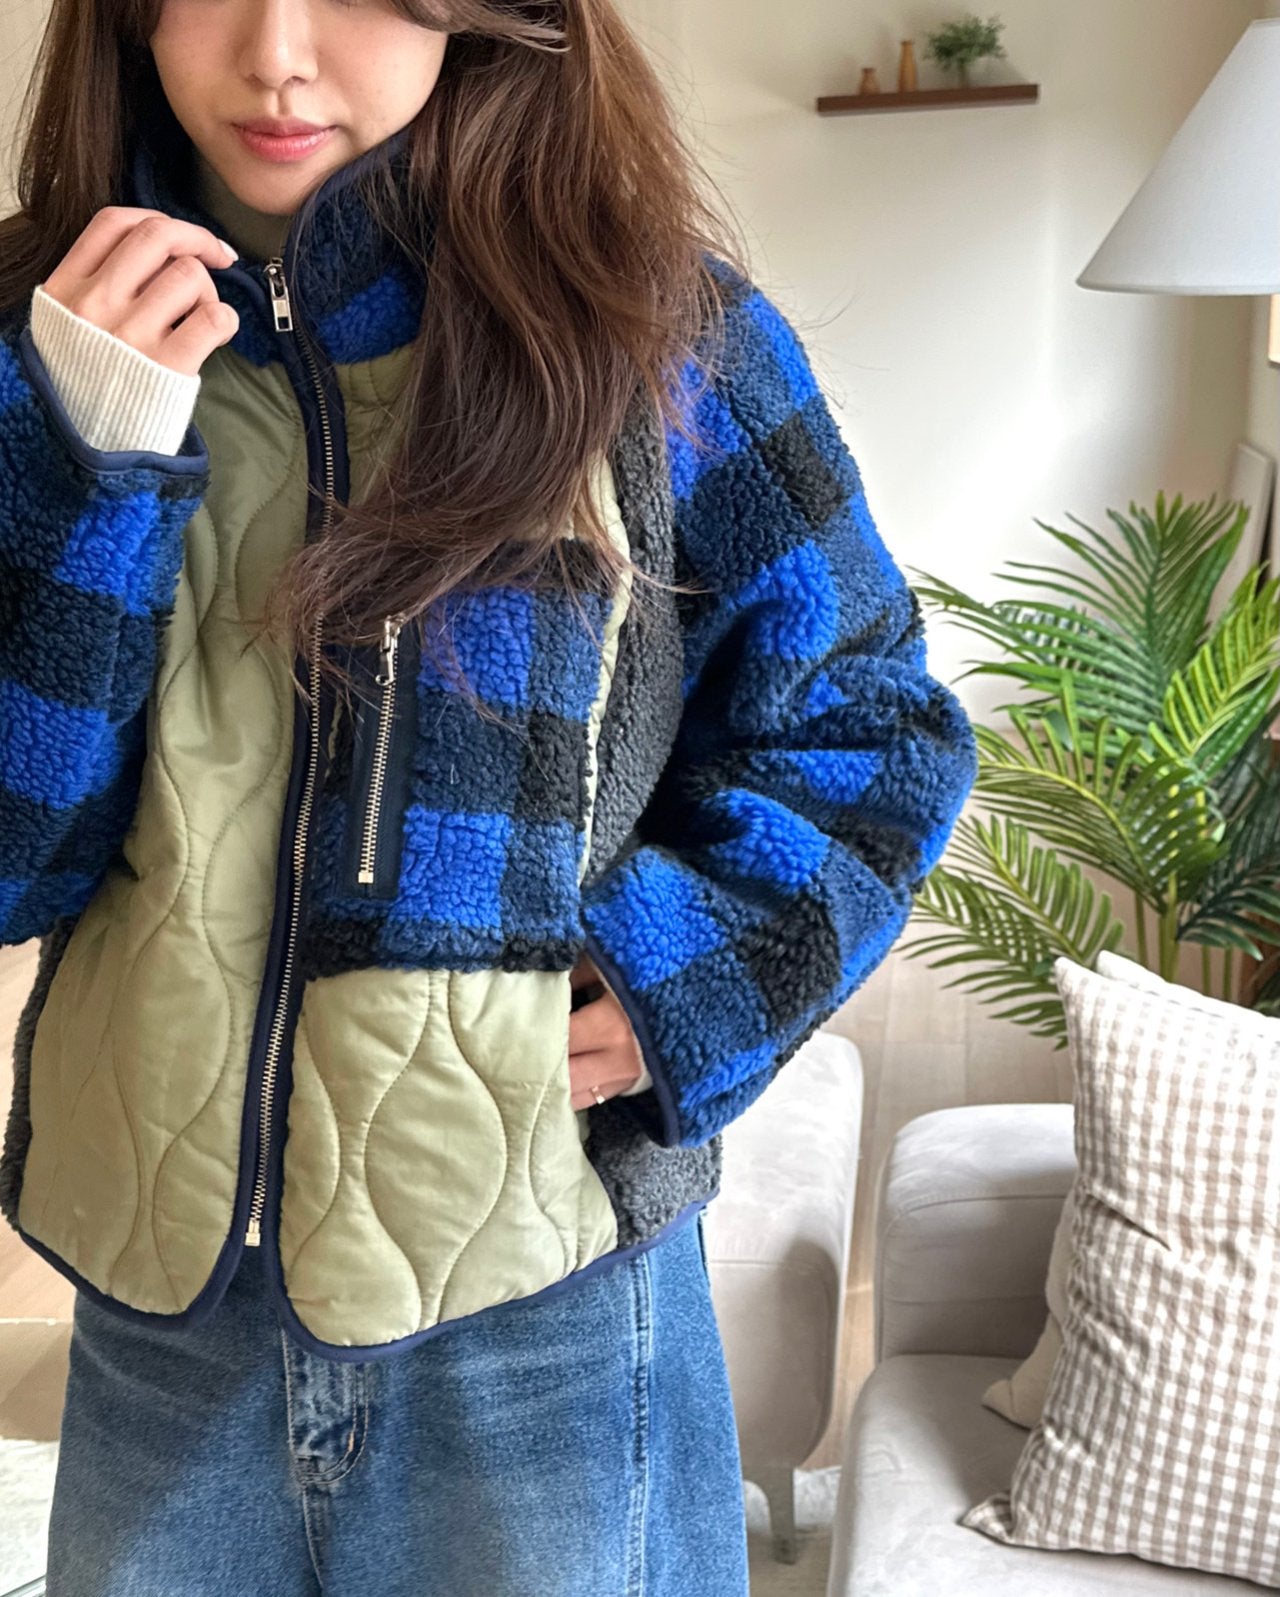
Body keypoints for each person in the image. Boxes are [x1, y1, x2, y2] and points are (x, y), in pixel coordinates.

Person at [0, 1, 978, 1592]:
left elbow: (873, 727)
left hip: (543, 1323)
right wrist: (88, 477)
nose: (277, 52)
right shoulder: (35, 349)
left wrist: (683, 984)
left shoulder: (661, 337)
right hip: (158, 1319)